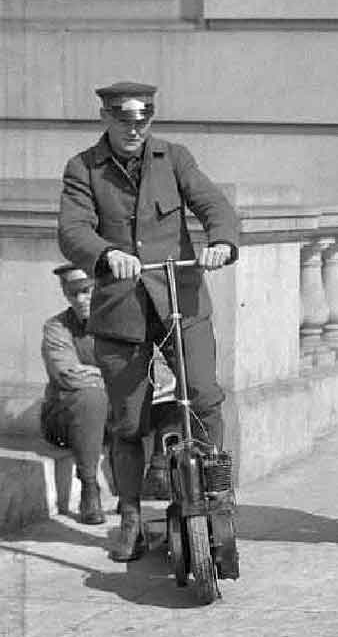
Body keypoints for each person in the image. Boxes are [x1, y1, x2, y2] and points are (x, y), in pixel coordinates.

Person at [58, 81, 238, 561]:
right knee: (128, 422)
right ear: (106, 118)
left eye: (143, 120)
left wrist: (220, 241)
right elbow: (72, 230)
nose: (134, 128)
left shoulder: (174, 158)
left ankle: (216, 495)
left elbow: (213, 205)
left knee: (203, 395)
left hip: (180, 296)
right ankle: (132, 516)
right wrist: (105, 253)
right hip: (122, 309)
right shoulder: (84, 168)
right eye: (124, 120)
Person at [40, 264, 109, 525]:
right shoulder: (57, 327)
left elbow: (155, 373)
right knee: (90, 397)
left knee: (174, 390)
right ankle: (90, 488)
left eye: (87, 290)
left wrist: (96, 373)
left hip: (110, 416)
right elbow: (67, 375)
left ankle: (158, 472)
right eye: (72, 294)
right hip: (64, 420)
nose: (80, 299)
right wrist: (113, 378)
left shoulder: (123, 323)